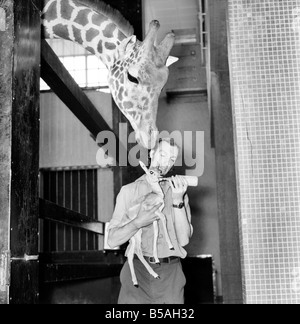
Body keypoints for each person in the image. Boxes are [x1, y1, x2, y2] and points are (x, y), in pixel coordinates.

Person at [107, 138, 193, 304]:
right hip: (137, 273)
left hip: (170, 273)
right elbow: (112, 240)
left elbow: (183, 240)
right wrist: (138, 222)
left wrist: (177, 200)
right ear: (151, 154)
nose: (165, 162)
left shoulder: (178, 193)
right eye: (162, 155)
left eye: (171, 159)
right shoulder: (129, 191)